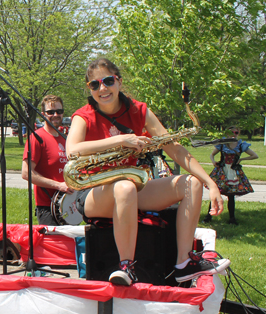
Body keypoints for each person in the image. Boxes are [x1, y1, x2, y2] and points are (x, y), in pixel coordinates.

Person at [66, 58, 230, 286]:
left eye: (108, 81)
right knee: (125, 187)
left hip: (133, 189)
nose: (102, 88)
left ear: (119, 82)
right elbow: (72, 150)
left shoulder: (139, 110)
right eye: (95, 85)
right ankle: (126, 266)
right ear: (89, 88)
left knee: (190, 184)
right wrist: (122, 139)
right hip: (97, 194)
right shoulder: (82, 115)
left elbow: (174, 148)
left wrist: (210, 184)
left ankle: (184, 263)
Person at [21, 95, 74, 225]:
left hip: (70, 205)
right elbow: (26, 173)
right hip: (48, 207)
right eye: (51, 112)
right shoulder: (37, 138)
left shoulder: (66, 138)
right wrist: (59, 185)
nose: (56, 115)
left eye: (59, 111)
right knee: (53, 245)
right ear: (43, 114)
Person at [203, 127, 258, 225]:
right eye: (231, 132)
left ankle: (232, 219)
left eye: (236, 132)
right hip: (222, 172)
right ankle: (208, 217)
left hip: (233, 172)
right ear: (227, 133)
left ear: (238, 133)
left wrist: (241, 159)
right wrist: (213, 162)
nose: (234, 134)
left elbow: (255, 155)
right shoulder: (223, 144)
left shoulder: (241, 145)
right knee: (215, 194)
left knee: (231, 196)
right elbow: (212, 155)